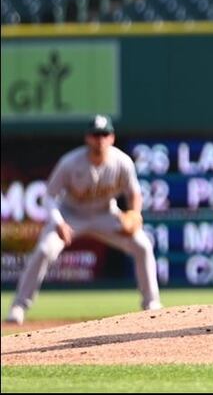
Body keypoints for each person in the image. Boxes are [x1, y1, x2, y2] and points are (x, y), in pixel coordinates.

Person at [5, 115, 161, 326]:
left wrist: (135, 213)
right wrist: (58, 222)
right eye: (96, 135)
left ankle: (151, 304)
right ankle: (19, 306)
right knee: (44, 250)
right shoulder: (70, 162)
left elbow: (134, 193)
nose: (100, 140)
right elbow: (49, 197)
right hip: (70, 215)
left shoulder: (122, 161)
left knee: (142, 245)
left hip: (106, 214)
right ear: (88, 138)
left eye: (104, 134)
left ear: (112, 137)